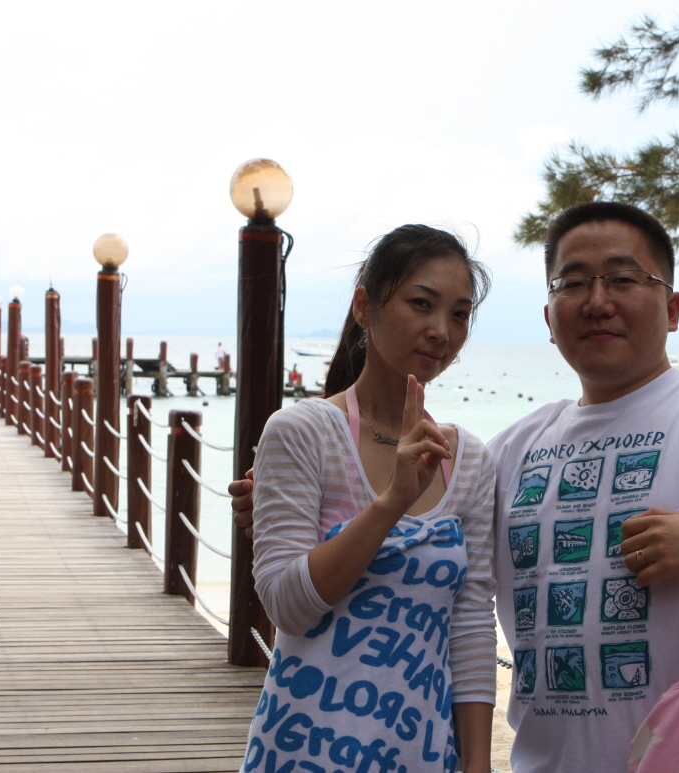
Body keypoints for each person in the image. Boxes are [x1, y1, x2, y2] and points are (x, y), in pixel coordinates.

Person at [234, 202, 679, 773]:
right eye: (573, 282)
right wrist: (276, 509)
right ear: (548, 315)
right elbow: (436, 570)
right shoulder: (509, 451)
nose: (597, 301)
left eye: (623, 278)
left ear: (672, 307)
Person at [239, 225, 498, 773]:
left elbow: (471, 623)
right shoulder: (303, 432)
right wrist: (391, 503)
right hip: (306, 749)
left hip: (421, 753)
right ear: (364, 306)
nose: (441, 331)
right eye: (421, 304)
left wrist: (478, 765)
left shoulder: (469, 458)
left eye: (459, 314)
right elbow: (287, 607)